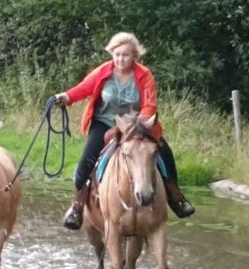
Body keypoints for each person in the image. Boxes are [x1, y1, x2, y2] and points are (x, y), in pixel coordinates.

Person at [54, 32, 195, 230]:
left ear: (134, 56)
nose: (120, 59)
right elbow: (83, 88)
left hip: (136, 125)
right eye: (117, 54)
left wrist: (141, 122)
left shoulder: (144, 75)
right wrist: (66, 97)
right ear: (112, 54)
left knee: (165, 155)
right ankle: (77, 206)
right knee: (85, 162)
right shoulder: (104, 71)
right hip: (104, 123)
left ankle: (175, 197)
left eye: (125, 55)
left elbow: (150, 104)